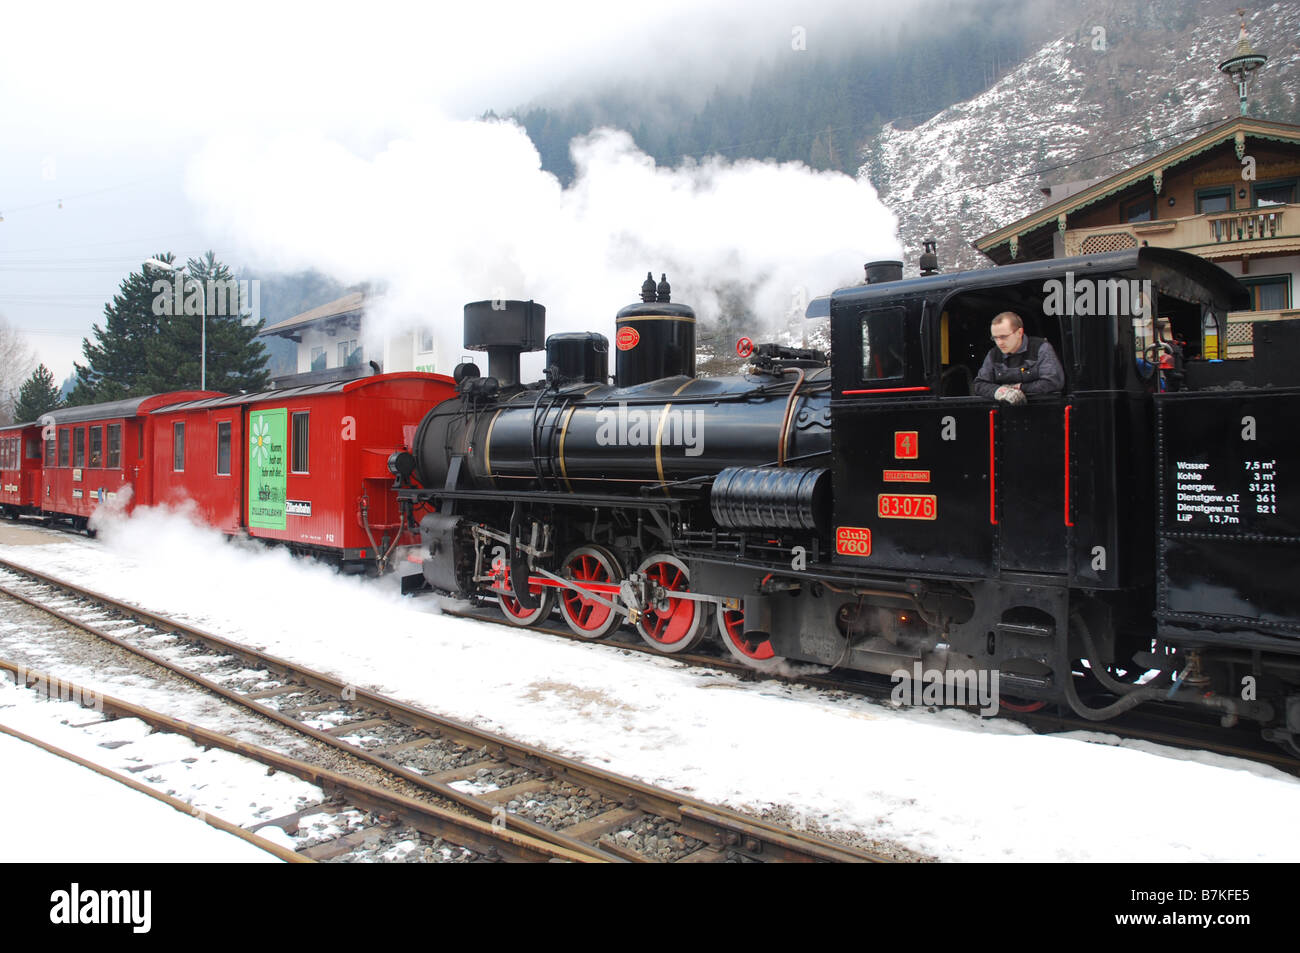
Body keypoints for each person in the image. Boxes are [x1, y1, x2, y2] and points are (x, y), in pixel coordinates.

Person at [974, 311, 1064, 404]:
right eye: (995, 338)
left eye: (1004, 336)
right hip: (1004, 413)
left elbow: (1053, 382)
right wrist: (1001, 392)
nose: (999, 342)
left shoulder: (1040, 348)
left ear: (1019, 332)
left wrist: (1019, 388)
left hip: (1042, 408)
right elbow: (979, 384)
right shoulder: (994, 354)